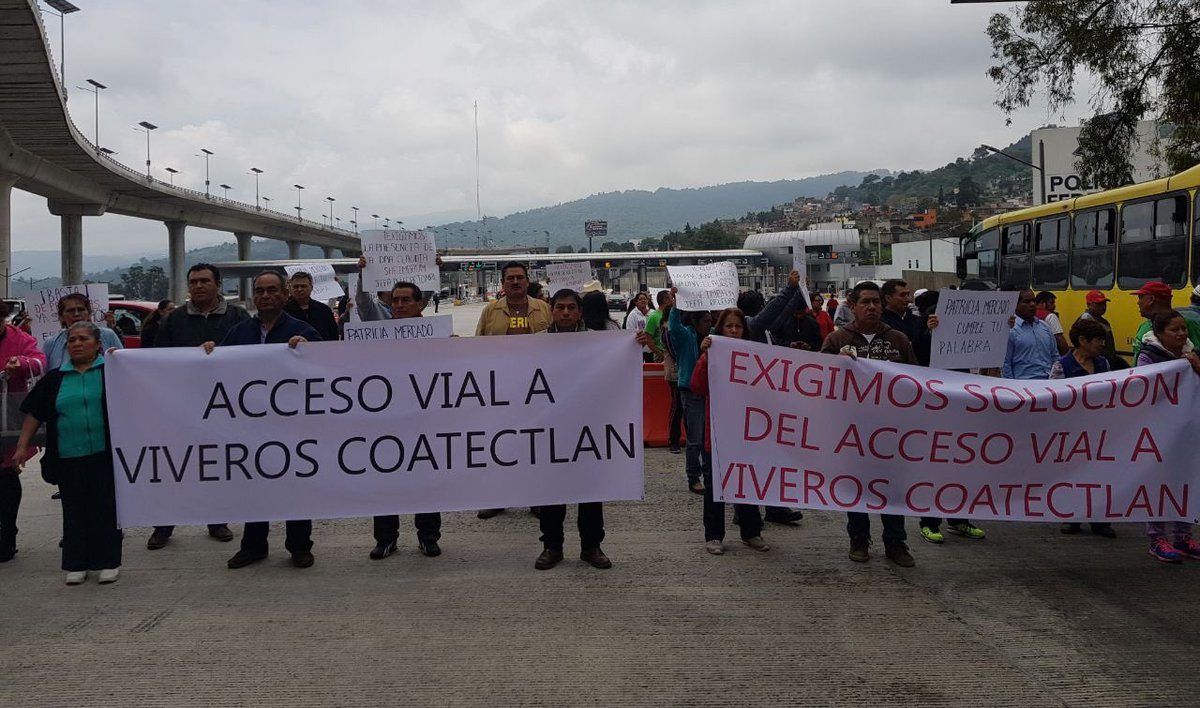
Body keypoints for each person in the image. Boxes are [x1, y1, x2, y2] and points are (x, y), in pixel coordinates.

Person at [206, 271, 321, 570]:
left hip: (291, 427)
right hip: (251, 426)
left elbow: (324, 368)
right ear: (254, 296)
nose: (266, 296)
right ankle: (253, 546)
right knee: (254, 487)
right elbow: (219, 368)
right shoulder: (239, 332)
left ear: (285, 294)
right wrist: (208, 353)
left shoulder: (303, 331)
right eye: (260, 291)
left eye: (272, 290)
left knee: (294, 487)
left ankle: (300, 546)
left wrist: (308, 350)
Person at [146, 263, 249, 550]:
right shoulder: (174, 319)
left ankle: (217, 520)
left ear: (218, 285)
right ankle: (163, 524)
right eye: (193, 282)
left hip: (224, 405)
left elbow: (251, 351)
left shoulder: (237, 316)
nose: (198, 286)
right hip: (182, 405)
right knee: (175, 465)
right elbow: (158, 357)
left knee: (216, 464)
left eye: (204, 281)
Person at [15, 322, 121, 585]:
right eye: (72, 340)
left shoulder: (113, 373)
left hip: (104, 455)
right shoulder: (54, 379)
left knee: (105, 508)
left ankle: (108, 562)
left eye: (83, 339)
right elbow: (34, 414)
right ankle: (76, 564)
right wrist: (21, 447)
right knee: (74, 510)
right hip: (67, 456)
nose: (76, 344)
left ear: (98, 344)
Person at [820, 281, 917, 568]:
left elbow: (915, 381)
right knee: (855, 487)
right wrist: (835, 364)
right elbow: (819, 380)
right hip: (851, 431)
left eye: (876, 302)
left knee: (892, 488)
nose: (872, 307)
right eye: (865, 302)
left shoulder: (898, 340)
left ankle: (896, 542)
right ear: (852, 305)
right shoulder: (837, 340)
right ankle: (859, 539)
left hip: (890, 431)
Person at [532, 288, 614, 570]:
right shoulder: (536, 343)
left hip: (588, 428)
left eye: (571, 308)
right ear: (551, 310)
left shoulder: (598, 341)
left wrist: (634, 345)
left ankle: (591, 546)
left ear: (579, 312)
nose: (565, 313)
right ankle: (552, 546)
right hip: (550, 428)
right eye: (560, 307)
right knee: (551, 491)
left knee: (589, 491)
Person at [368, 281, 443, 561]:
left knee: (425, 480)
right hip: (386, 419)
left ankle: (428, 536)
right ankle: (386, 538)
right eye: (395, 300)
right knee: (386, 479)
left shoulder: (436, 334)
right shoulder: (377, 335)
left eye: (405, 300)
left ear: (419, 303)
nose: (398, 305)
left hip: (425, 419)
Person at [690, 308, 771, 555]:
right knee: (715, 485)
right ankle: (714, 536)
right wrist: (705, 357)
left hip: (747, 432)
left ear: (744, 331)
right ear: (721, 329)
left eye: (738, 326)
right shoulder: (711, 354)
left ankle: (751, 532)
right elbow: (697, 387)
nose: (733, 330)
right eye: (729, 326)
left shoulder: (755, 356)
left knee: (746, 481)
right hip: (717, 433)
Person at [474, 261, 551, 518]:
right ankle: (498, 497)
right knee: (499, 445)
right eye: (510, 278)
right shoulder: (490, 311)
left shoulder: (544, 308)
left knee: (535, 444)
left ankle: (537, 498)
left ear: (527, 281)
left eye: (520, 277)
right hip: (500, 390)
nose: (515, 282)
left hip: (537, 390)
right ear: (503, 283)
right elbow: (477, 348)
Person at [1135, 310, 1200, 563]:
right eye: (1175, 330)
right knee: (1159, 483)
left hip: (1186, 430)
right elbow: (1143, 390)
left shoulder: (1192, 355)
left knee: (1186, 481)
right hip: (1158, 432)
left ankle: (1183, 536)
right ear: (1160, 334)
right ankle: (1157, 538)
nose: (1181, 333)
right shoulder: (1148, 357)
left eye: (1183, 329)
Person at [1049, 317, 1117, 539]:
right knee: (1074, 473)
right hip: (1072, 431)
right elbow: (1054, 398)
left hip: (1099, 429)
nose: (1102, 345)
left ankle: (1100, 519)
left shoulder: (1103, 364)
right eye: (1098, 340)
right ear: (1082, 341)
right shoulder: (1061, 366)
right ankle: (1073, 515)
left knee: (1100, 474)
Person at [0, 301, 47, 563]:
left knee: (6, 474)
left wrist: (22, 363)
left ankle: (8, 533)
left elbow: (39, 362)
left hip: (8, 415)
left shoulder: (20, 338)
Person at [666, 292, 713, 495]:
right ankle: (694, 477)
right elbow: (673, 327)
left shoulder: (713, 337)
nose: (710, 324)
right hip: (691, 391)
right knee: (695, 438)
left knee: (708, 437)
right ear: (696, 322)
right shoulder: (686, 336)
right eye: (706, 321)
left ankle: (709, 474)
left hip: (709, 391)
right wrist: (675, 306)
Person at [645, 290, 683, 454]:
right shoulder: (661, 323)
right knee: (677, 405)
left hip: (680, 369)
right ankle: (673, 440)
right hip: (674, 369)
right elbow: (649, 338)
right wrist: (660, 354)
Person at [42, 294, 123, 370]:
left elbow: (122, 366)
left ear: (89, 314)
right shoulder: (51, 343)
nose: (76, 314)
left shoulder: (107, 335)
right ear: (61, 317)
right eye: (70, 311)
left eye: (81, 309)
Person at [1131, 281, 1200, 359]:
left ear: (1151, 299)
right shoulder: (1144, 326)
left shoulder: (1187, 323)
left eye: (1140, 298)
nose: (1138, 302)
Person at [1002, 290, 1057, 381]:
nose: (1032, 304)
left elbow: (1055, 357)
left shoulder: (1045, 327)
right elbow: (1005, 363)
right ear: (1016, 305)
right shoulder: (1010, 330)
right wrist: (1012, 385)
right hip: (1023, 384)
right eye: (1026, 302)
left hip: (1049, 383)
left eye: (1034, 301)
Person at [1074, 290, 1127, 369]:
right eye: (1098, 304)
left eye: (1104, 303)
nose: (1103, 307)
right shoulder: (1086, 320)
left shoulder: (1103, 321)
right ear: (1089, 304)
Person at [284, 271, 339, 342]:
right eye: (296, 286)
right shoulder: (283, 311)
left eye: (303, 286)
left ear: (311, 288)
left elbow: (334, 336)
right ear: (291, 288)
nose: (299, 289)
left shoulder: (324, 310)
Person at [880, 279, 923, 345]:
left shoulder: (918, 320)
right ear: (888, 298)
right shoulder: (880, 323)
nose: (908, 299)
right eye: (902, 295)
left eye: (908, 295)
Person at [624, 292, 653, 361]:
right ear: (636, 302)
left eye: (645, 299)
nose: (643, 300)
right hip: (639, 350)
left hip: (651, 349)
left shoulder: (652, 313)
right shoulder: (632, 315)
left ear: (647, 301)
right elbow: (630, 332)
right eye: (640, 299)